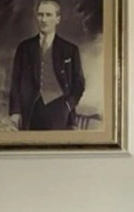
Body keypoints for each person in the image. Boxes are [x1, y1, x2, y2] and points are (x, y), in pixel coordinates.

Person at [9, 0, 85, 131]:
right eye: (40, 15)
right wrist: (15, 112)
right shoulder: (24, 48)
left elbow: (79, 82)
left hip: (60, 111)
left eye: (48, 15)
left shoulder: (70, 49)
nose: (43, 20)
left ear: (57, 19)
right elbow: (15, 81)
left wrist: (68, 105)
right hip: (30, 110)